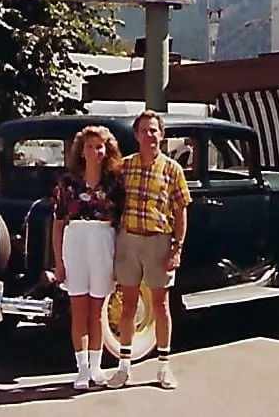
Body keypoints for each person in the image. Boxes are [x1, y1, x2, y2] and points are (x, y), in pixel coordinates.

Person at [108, 110, 192, 390]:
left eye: (154, 130)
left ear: (162, 134)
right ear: (136, 135)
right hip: (129, 239)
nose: (150, 136)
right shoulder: (125, 167)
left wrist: (176, 248)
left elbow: (181, 213)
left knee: (161, 305)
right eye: (144, 130)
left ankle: (164, 367)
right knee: (128, 305)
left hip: (158, 240)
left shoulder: (172, 169)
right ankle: (123, 367)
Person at [51, 125, 125, 390]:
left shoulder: (115, 182)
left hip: (103, 242)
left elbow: (120, 224)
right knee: (78, 310)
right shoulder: (67, 183)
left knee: (98, 311)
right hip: (76, 242)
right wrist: (59, 262)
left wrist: (118, 262)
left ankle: (96, 367)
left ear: (107, 150)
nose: (95, 151)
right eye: (90, 146)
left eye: (100, 146)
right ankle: (81, 369)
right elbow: (58, 223)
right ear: (82, 151)